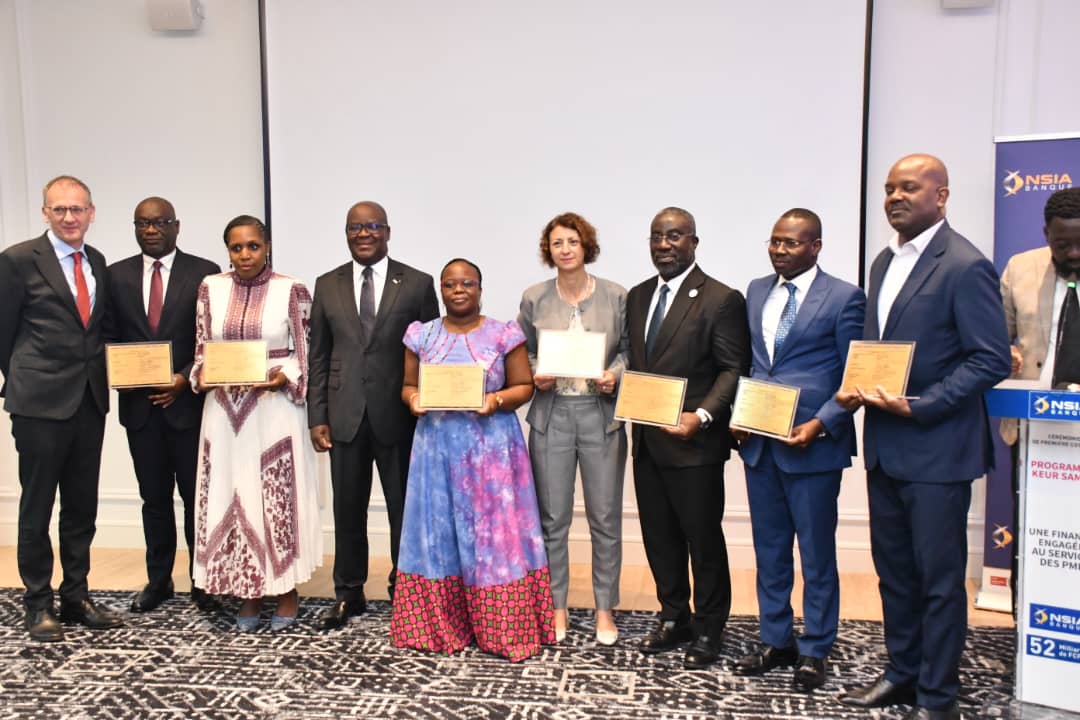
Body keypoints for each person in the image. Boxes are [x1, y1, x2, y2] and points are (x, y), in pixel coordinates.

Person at [837, 154, 1011, 720]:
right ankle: (902, 674)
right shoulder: (884, 262)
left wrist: (923, 405)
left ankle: (938, 696)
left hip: (938, 450)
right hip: (885, 448)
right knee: (895, 575)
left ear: (941, 195)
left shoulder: (965, 264)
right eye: (889, 188)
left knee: (938, 582)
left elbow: (989, 359)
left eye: (909, 187)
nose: (894, 197)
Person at [390, 258, 555, 662]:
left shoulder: (503, 334)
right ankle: (439, 627)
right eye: (450, 284)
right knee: (438, 536)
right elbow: (408, 385)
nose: (458, 290)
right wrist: (413, 400)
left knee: (493, 541)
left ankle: (502, 629)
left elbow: (523, 386)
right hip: (436, 452)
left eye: (467, 283)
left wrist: (495, 400)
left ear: (480, 288)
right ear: (441, 290)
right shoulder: (421, 335)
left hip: (491, 455)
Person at [734, 208, 865, 690]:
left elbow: (855, 377)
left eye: (791, 243)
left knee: (816, 555)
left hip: (813, 446)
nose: (779, 250)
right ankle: (776, 640)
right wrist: (739, 415)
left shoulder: (845, 297)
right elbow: (756, 364)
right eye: (774, 241)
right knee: (770, 551)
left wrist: (821, 424)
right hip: (760, 444)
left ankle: (815, 648)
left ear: (816, 247)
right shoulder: (755, 291)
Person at [626, 207, 750, 669]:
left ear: (693, 242)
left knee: (703, 540)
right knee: (659, 537)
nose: (664, 245)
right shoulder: (638, 296)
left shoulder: (721, 298)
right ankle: (673, 616)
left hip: (695, 444)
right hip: (648, 440)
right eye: (657, 236)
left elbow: (733, 368)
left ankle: (710, 627)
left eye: (675, 236)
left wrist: (702, 415)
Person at [0, 175, 123, 642]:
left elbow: (99, 330)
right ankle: (37, 603)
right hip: (38, 403)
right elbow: (4, 332)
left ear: (91, 213)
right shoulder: (17, 260)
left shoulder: (97, 261)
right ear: (45, 213)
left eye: (77, 209)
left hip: (89, 400)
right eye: (59, 209)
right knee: (37, 507)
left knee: (81, 506)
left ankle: (76, 597)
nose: (69, 217)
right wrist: (25, 378)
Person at [307, 201, 439, 631]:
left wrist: (428, 407)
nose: (363, 234)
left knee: (405, 509)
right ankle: (349, 592)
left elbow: (431, 353)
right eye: (355, 227)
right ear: (346, 233)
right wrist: (317, 414)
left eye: (373, 226)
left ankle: (406, 589)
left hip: (399, 416)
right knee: (348, 509)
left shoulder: (417, 283)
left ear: (388, 232)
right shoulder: (327, 284)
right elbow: (319, 356)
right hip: (343, 414)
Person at [190, 215, 322, 632]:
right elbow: (202, 349)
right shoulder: (211, 287)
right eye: (236, 247)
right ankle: (246, 591)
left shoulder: (291, 288)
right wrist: (201, 376)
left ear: (267, 247)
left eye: (253, 246)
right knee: (231, 494)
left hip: (273, 408)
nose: (245, 255)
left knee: (274, 496)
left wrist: (285, 377)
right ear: (227, 250)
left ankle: (285, 591)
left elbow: (306, 351)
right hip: (223, 411)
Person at [517, 212, 628, 646]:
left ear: (586, 246)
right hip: (552, 416)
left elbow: (630, 351)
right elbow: (523, 352)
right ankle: (556, 606)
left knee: (605, 517)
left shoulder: (616, 295)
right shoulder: (534, 298)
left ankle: (605, 609)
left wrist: (616, 374)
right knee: (552, 519)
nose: (565, 249)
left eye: (572, 241)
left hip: (601, 415)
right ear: (548, 250)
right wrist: (535, 372)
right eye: (557, 243)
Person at [106, 197, 221, 613]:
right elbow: (108, 336)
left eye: (159, 222)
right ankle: (158, 581)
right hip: (140, 410)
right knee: (153, 500)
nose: (151, 230)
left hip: (187, 407)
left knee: (195, 500)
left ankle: (202, 582)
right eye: (142, 223)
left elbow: (212, 339)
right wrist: (124, 372)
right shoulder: (115, 275)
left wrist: (184, 377)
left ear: (176, 226)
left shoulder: (204, 272)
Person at [999, 186, 1080, 608]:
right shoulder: (1021, 268)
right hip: (1035, 427)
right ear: (1046, 233)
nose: (1074, 253)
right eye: (1063, 244)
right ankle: (1027, 619)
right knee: (1035, 532)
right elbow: (993, 336)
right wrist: (1005, 353)